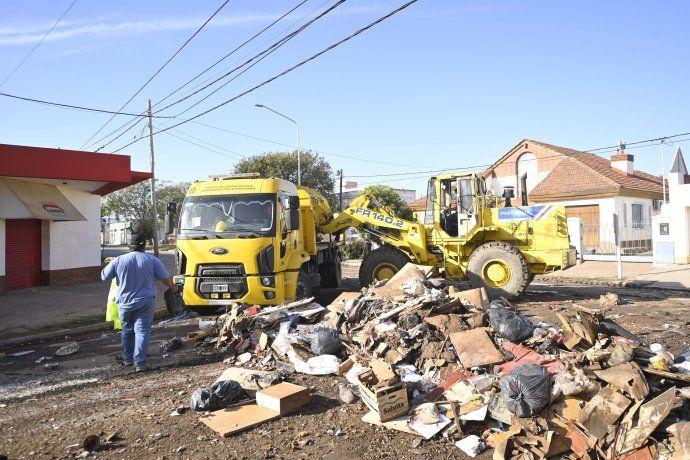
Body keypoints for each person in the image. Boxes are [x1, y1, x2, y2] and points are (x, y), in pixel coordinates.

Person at [101, 234, 177, 371]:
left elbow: (104, 276)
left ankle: (128, 359)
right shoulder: (152, 260)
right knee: (142, 331)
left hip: (124, 303)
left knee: (127, 330)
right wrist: (174, 288)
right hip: (145, 302)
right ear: (143, 245)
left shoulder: (118, 260)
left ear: (129, 246)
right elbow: (166, 279)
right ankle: (140, 363)